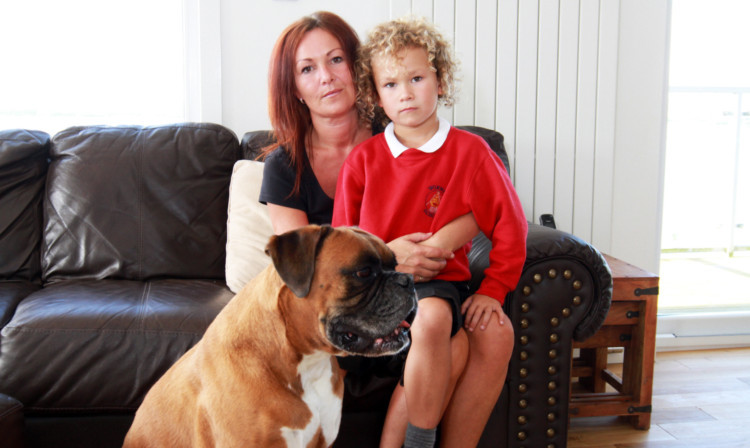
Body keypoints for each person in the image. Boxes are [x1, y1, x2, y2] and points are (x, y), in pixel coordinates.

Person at [258, 10, 473, 423]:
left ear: (359, 70)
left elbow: (465, 205)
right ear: (295, 88)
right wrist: (386, 257)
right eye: (308, 68)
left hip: (419, 292)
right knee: (451, 341)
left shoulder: (402, 131)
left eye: (336, 59)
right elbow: (302, 274)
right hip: (343, 307)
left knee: (458, 338)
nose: (327, 76)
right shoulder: (284, 165)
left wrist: (432, 249)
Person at [331, 16, 528, 448]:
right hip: (378, 290)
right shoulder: (363, 161)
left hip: (441, 283)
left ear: (440, 81)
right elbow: (344, 243)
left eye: (417, 78)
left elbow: (510, 222)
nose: (405, 93)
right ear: (375, 95)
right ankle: (420, 440)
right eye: (391, 84)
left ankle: (433, 441)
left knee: (451, 320)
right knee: (442, 328)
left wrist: (494, 289)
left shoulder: (472, 152)